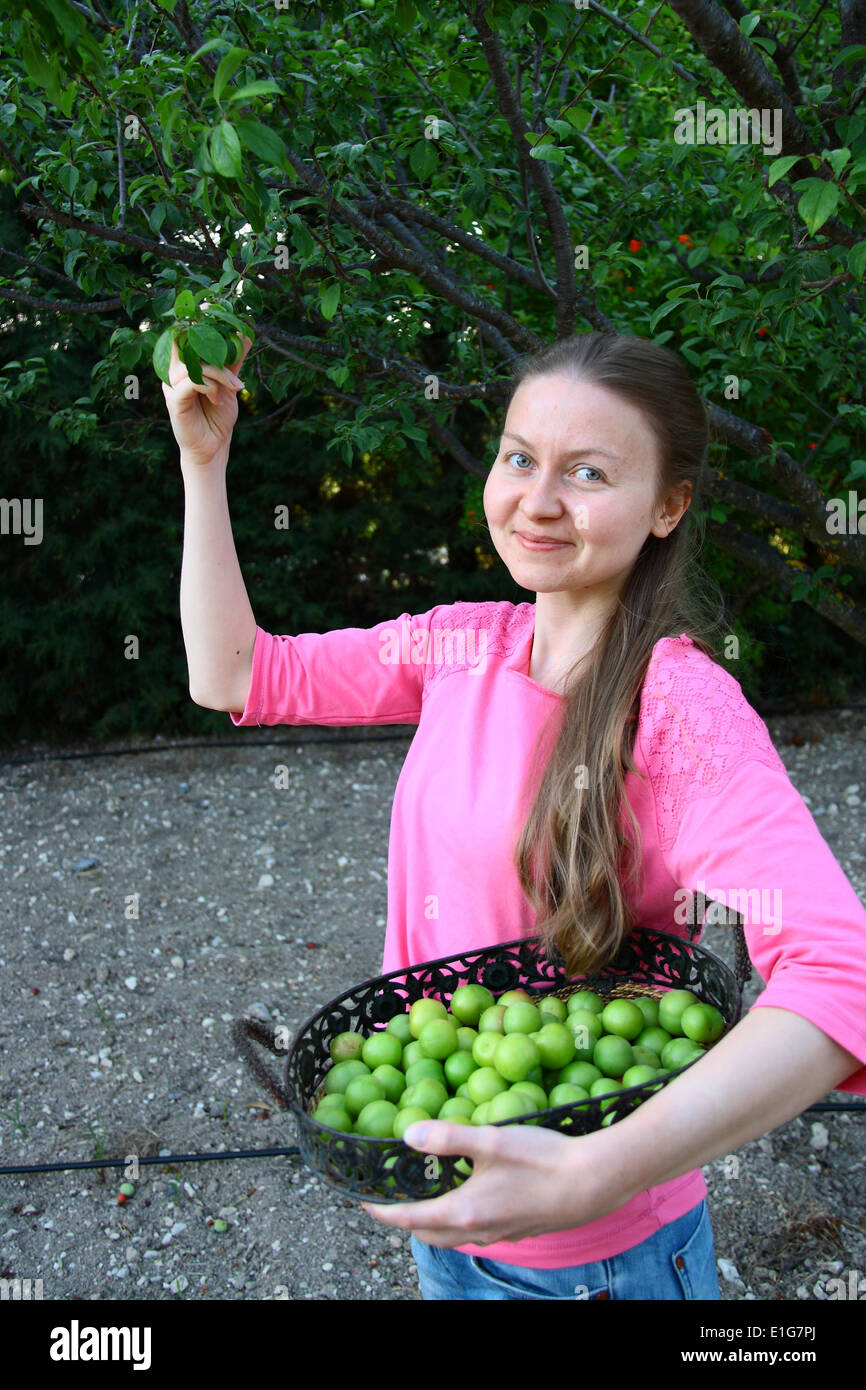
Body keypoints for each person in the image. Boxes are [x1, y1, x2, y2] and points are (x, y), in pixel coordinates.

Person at [164, 328, 866, 1301]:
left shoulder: (676, 708)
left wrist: (597, 1169)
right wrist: (206, 465)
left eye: (585, 472)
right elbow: (231, 671)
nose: (537, 500)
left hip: (601, 1259)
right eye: (518, 458)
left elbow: (840, 974)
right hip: (446, 1212)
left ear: (668, 506)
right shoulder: (461, 646)